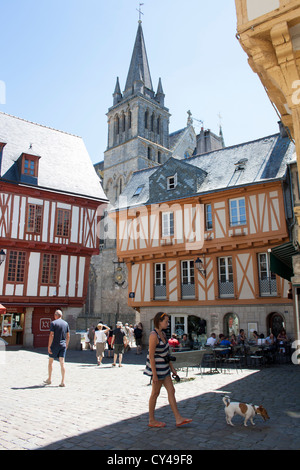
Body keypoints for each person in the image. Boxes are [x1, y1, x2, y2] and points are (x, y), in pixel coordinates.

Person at [144, 312, 193, 428]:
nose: (168, 323)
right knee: (155, 393)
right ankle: (151, 420)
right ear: (159, 322)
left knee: (171, 391)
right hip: (157, 369)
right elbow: (151, 356)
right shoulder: (153, 335)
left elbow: (167, 353)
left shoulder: (164, 334)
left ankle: (178, 418)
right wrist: (154, 375)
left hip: (165, 368)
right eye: (166, 321)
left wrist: (172, 368)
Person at [44, 310, 70, 387]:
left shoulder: (53, 323)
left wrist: (49, 346)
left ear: (56, 315)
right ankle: (62, 381)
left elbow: (51, 335)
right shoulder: (66, 323)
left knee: (50, 362)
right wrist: (67, 344)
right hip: (63, 345)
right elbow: (68, 335)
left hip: (54, 345)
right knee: (62, 363)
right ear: (61, 315)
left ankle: (49, 379)